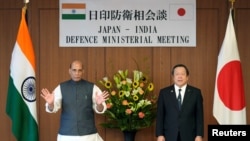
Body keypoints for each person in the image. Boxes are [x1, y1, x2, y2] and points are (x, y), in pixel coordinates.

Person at [40, 60, 109, 141]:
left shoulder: (92, 87)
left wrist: (99, 104)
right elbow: (52, 109)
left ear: (83, 71)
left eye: (79, 70)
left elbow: (101, 110)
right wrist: (51, 103)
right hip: (66, 135)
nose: (77, 73)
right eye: (74, 70)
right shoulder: (61, 87)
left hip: (88, 134)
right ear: (69, 71)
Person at [155, 64, 204, 141]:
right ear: (173, 77)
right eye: (177, 74)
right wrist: (160, 134)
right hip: (169, 135)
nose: (180, 76)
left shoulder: (196, 93)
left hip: (189, 135)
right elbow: (160, 115)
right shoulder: (164, 93)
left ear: (187, 77)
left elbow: (199, 116)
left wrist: (199, 135)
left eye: (182, 74)